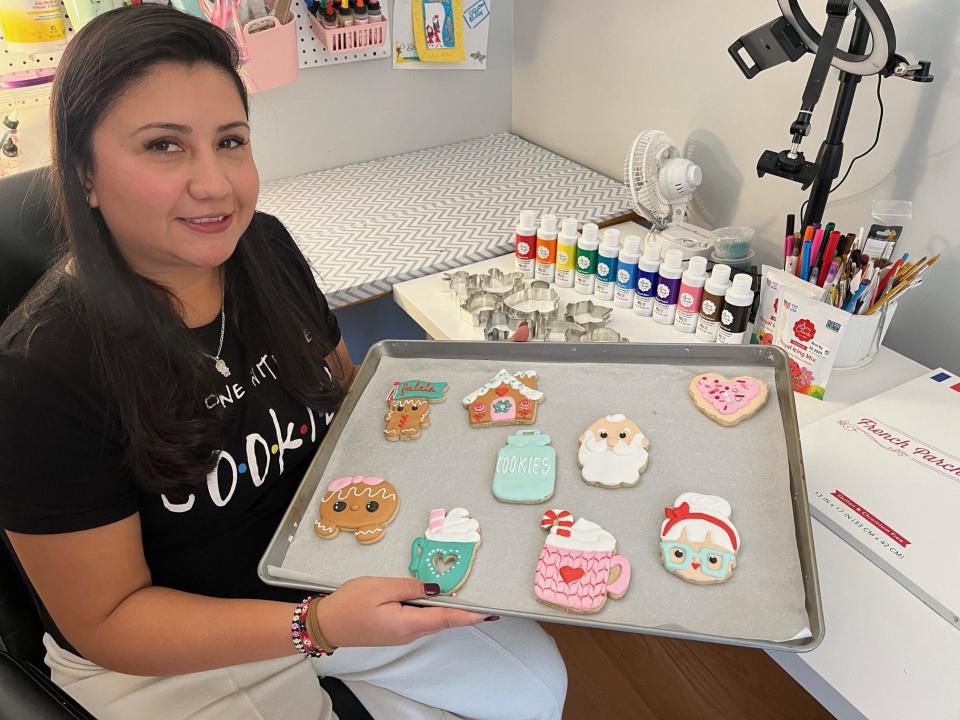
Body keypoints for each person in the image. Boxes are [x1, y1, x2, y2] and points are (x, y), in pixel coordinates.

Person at [0, 6, 566, 719]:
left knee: (535, 686)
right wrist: (317, 627)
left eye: (229, 141)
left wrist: (466, 399)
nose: (216, 185)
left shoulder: (262, 248)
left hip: (315, 567)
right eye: (164, 147)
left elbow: (346, 398)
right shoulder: (41, 371)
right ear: (84, 172)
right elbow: (110, 621)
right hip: (171, 654)